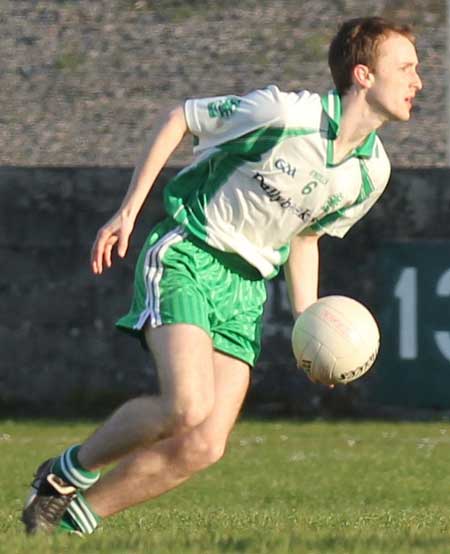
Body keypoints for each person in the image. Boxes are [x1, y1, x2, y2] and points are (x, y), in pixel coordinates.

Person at [22, 16, 422, 535]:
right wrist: (127, 211)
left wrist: (308, 323)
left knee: (204, 443)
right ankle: (63, 474)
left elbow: (304, 235)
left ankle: (72, 525)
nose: (419, 81)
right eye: (407, 67)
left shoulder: (371, 173)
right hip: (189, 253)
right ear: (364, 74)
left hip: (246, 289)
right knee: (185, 405)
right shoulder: (284, 113)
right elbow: (180, 118)